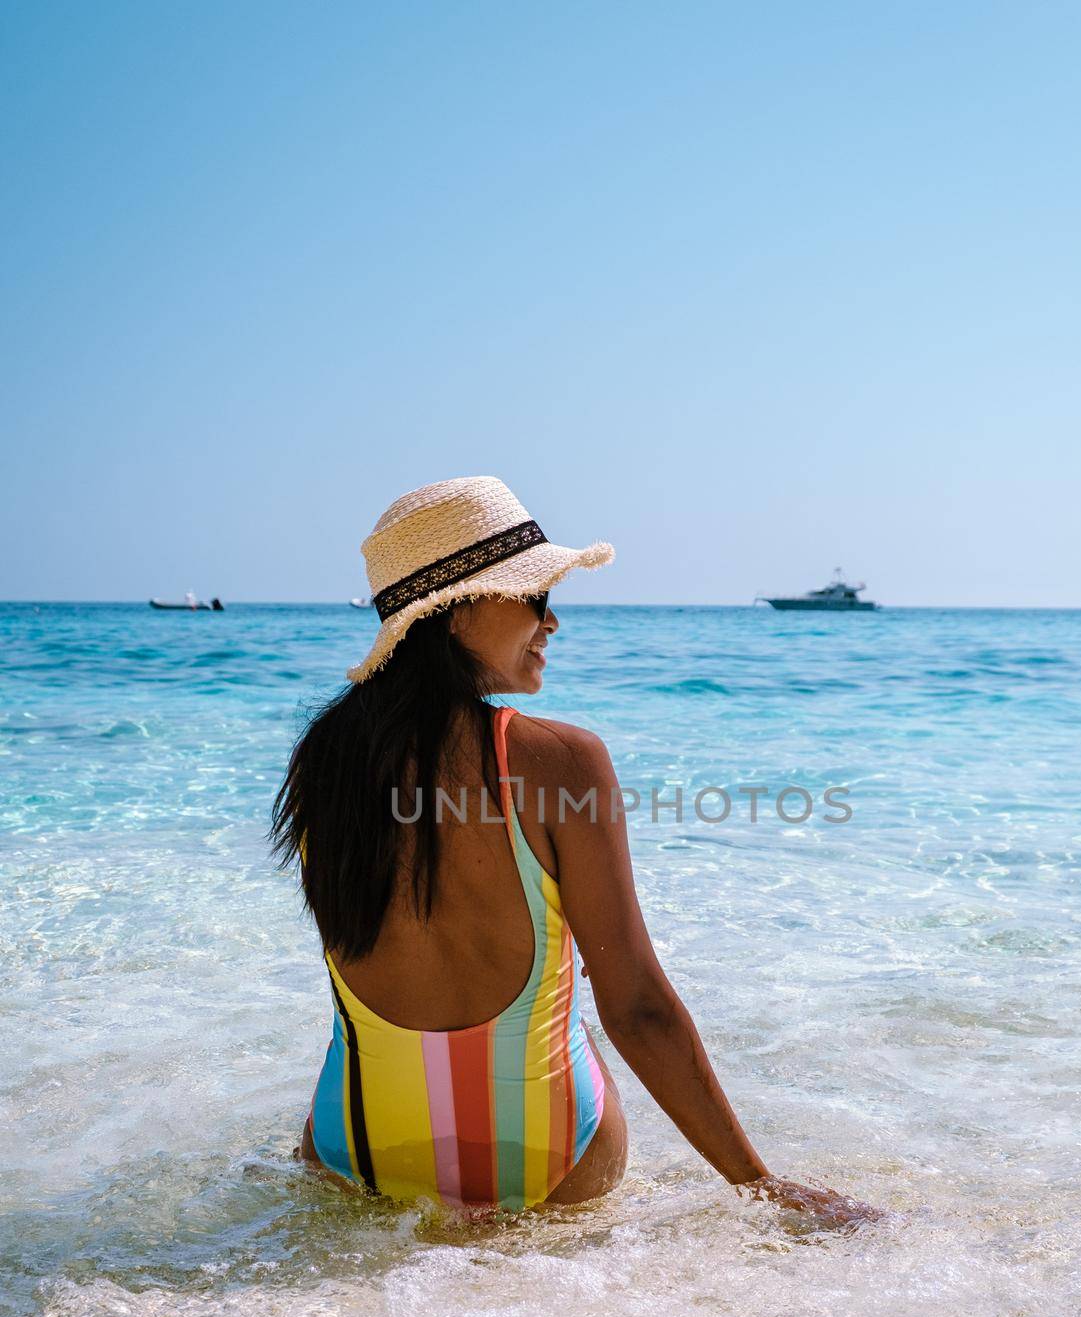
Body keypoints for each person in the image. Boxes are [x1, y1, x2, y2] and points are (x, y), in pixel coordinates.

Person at [272, 475, 880, 1228]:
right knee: (576, 1022)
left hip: (355, 1154)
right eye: (533, 596)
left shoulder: (323, 759)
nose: (552, 621)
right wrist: (761, 1189)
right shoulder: (558, 760)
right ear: (458, 613)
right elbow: (637, 1007)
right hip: (541, 1162)